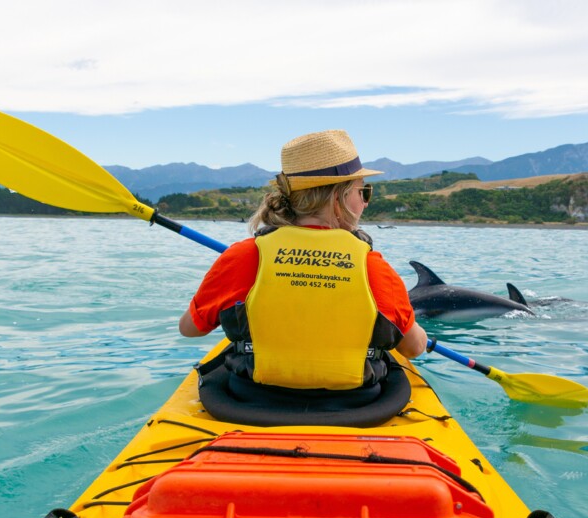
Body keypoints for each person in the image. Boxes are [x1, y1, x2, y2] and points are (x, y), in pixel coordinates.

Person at [179, 129, 427, 395]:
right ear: (338, 197)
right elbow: (414, 348)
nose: (365, 203)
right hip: (352, 404)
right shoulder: (373, 267)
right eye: (364, 192)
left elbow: (189, 329)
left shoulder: (242, 256)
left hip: (252, 397)